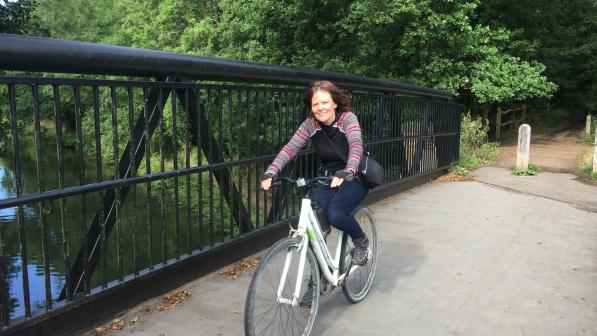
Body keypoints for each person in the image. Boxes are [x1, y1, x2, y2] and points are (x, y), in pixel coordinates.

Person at [261, 80, 370, 267]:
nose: (320, 108)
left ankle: (361, 242)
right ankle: (318, 281)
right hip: (327, 177)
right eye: (315, 104)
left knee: (336, 214)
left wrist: (348, 170)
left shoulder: (347, 118)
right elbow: (290, 149)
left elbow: (356, 146)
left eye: (325, 102)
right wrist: (271, 172)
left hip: (354, 176)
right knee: (316, 227)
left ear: (334, 103)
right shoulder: (310, 125)